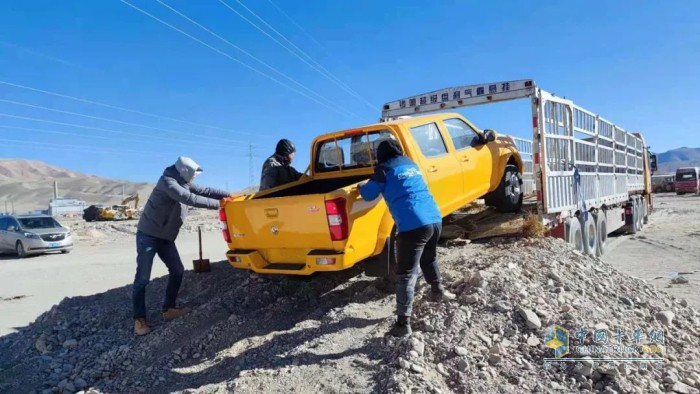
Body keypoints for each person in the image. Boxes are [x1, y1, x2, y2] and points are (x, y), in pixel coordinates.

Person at [358, 139, 456, 337]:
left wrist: (360, 186)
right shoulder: (411, 164)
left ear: (381, 155)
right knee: (429, 257)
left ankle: (403, 325)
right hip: (435, 219)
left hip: (413, 224)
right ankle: (438, 292)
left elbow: (368, 195)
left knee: (406, 274)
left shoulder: (384, 169)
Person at [133, 156, 230, 336]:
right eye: (193, 174)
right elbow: (188, 198)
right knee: (143, 279)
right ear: (184, 172)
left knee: (177, 270)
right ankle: (139, 319)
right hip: (148, 235)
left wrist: (229, 195)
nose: (194, 178)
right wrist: (219, 205)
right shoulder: (168, 183)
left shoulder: (182, 181)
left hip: (165, 237)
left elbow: (205, 190)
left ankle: (169, 309)